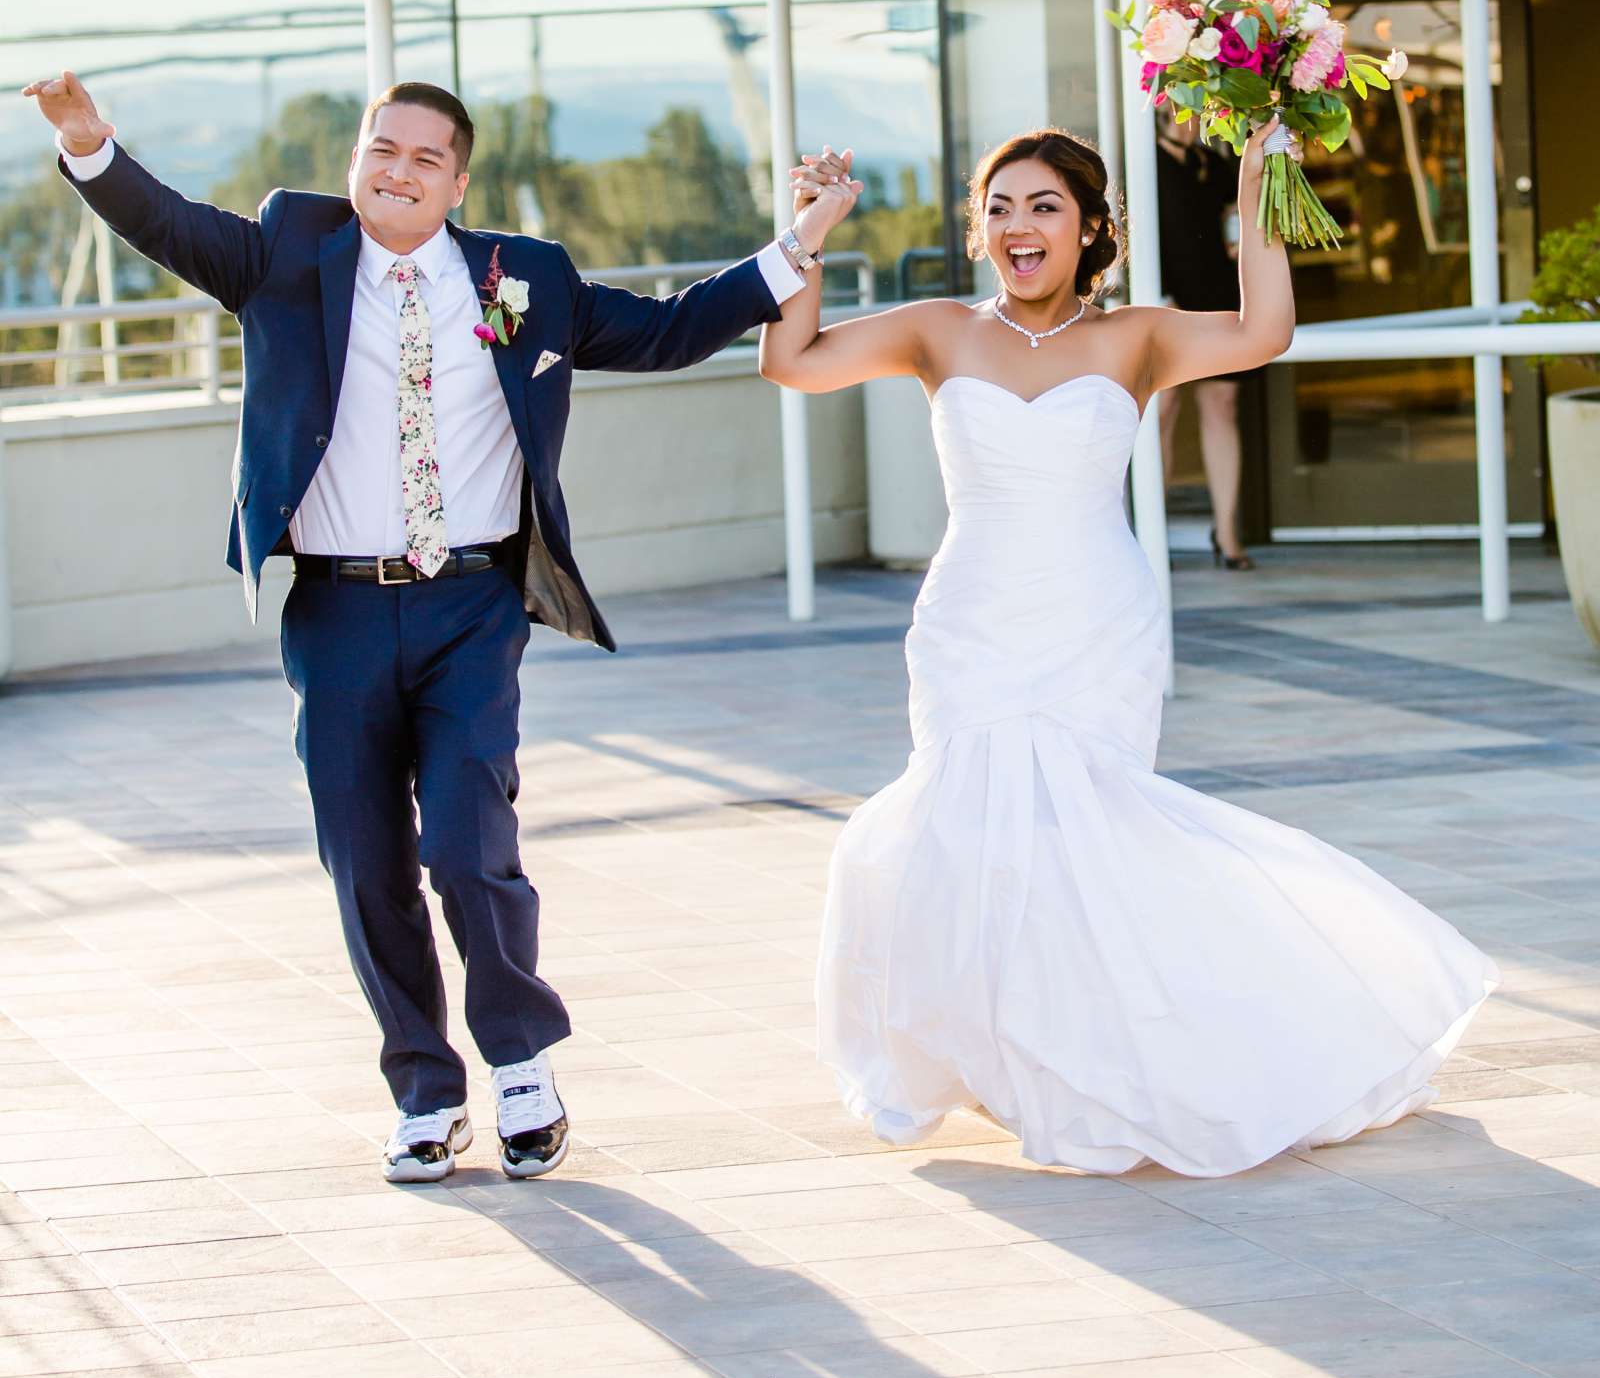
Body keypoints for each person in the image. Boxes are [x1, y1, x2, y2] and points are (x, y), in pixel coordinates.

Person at [23, 70, 859, 1185]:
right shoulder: (284, 249)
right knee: (364, 863)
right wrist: (90, 147)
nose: (398, 170)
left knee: (468, 844)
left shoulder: (527, 279)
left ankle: (520, 1062)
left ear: (458, 182)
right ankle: (423, 1088)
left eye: (426, 157)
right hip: (336, 607)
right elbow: (167, 224)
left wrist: (801, 237)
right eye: (383, 149)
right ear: (356, 159)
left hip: (471, 603)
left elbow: (668, 332)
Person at [761, 127, 1495, 1176]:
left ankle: (1121, 1058)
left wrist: (1253, 191)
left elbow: (1266, 330)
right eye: (1001, 207)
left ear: (1091, 229)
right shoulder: (936, 332)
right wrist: (809, 237)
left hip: (1094, 618)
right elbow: (788, 361)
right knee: (969, 827)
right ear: (980, 230)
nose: (1021, 225)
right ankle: (1014, 1059)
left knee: (1087, 828)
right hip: (972, 617)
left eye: (1045, 206)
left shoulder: (1136, 337)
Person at [1155, 113, 1255, 567]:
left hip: (1217, 297)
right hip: (1166, 303)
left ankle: (1228, 533)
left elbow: (1236, 217)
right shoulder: (1146, 163)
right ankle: (1150, 533)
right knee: (1162, 411)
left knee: (1222, 407)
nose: (1193, 120)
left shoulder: (1210, 164)